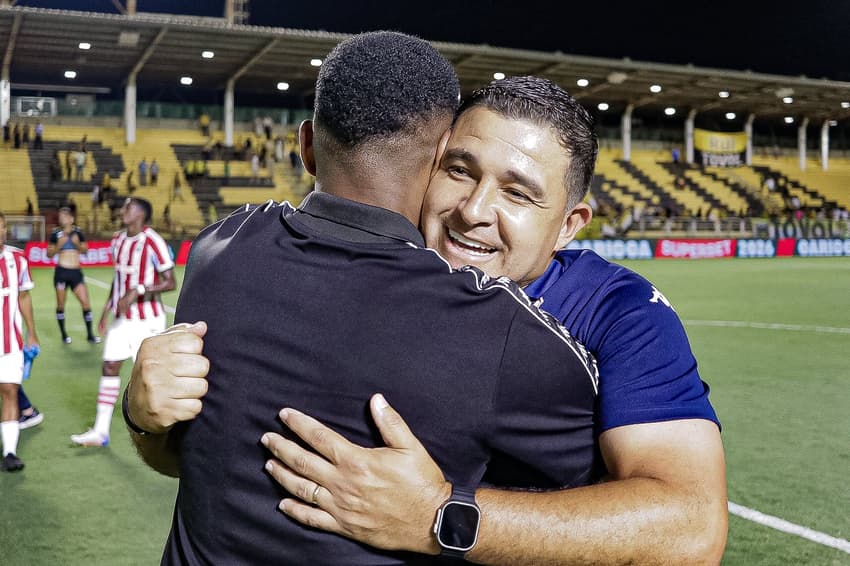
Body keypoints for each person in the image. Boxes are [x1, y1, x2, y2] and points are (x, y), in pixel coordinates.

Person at [132, 76, 727, 564]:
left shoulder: (616, 313)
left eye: (518, 194)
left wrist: (441, 516)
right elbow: (213, 459)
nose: (473, 211)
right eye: (460, 170)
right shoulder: (355, 277)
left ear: (570, 224)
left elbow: (693, 530)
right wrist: (146, 422)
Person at [70, 197, 175, 447]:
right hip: (121, 320)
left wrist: (138, 290)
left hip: (147, 320)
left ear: (141, 214)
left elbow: (170, 281)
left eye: (128, 207)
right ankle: (100, 431)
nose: (123, 210)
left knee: (149, 377)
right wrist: (106, 310)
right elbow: (118, 279)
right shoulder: (117, 240)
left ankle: (166, 433)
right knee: (109, 366)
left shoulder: (153, 241)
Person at [0, 211, 40, 471]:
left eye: (2, 227)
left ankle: (10, 452)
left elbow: (24, 297)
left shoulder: (17, 259)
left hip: (10, 343)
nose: (0, 232)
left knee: (10, 391)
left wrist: (31, 332)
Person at [47, 205, 101, 344]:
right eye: (60, 216)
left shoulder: (78, 232)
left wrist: (77, 244)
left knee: (85, 303)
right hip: (61, 272)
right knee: (60, 305)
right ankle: (64, 335)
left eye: (64, 216)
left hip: (76, 272)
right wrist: (58, 246)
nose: (62, 219)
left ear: (71, 219)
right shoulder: (55, 234)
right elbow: (49, 254)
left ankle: (90, 335)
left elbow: (85, 250)